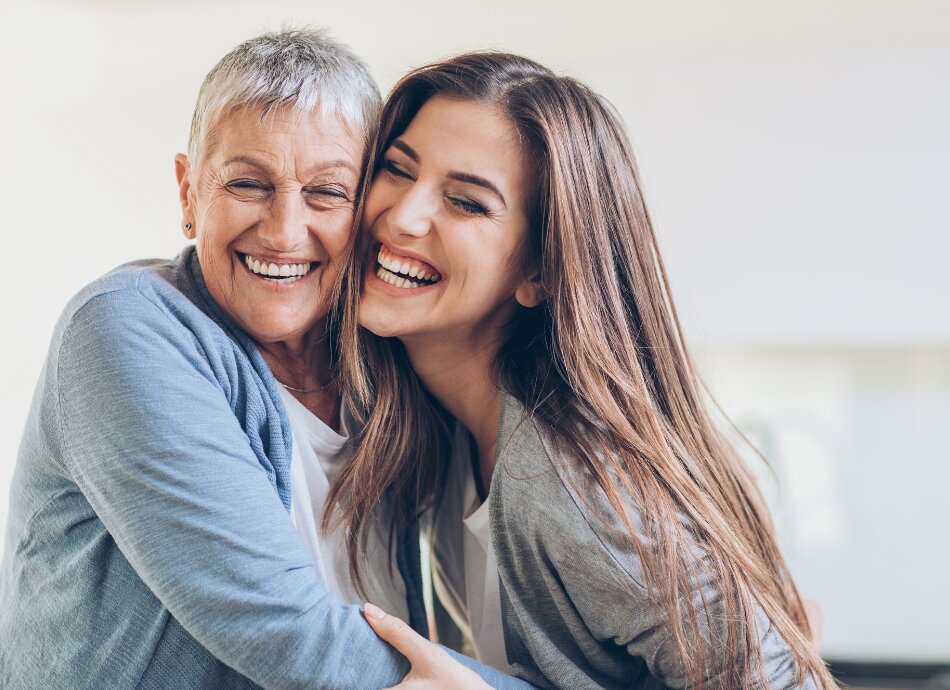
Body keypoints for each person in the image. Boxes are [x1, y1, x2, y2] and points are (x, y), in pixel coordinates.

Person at [0, 31, 532, 690]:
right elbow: (292, 636)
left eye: (327, 193)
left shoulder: (387, 372)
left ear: (367, 209)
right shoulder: (124, 329)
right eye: (249, 184)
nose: (283, 230)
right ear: (189, 193)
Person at [330, 52, 839, 689]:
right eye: (397, 170)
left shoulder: (575, 483)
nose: (403, 216)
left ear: (539, 271)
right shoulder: (446, 434)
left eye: (466, 203)